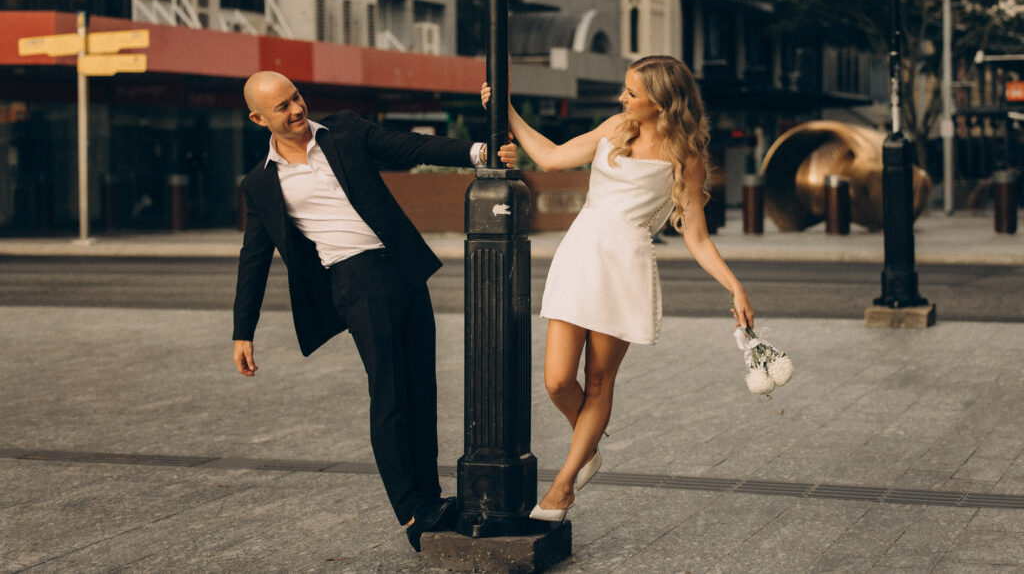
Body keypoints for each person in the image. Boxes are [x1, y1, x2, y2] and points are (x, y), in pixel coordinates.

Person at [232, 71, 516, 551]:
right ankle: (411, 513)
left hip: (401, 268)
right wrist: (244, 331)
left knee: (421, 389)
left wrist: (480, 154)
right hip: (355, 283)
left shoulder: (343, 129)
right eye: (282, 107)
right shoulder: (260, 183)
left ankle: (432, 499)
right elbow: (254, 257)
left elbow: (411, 147)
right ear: (259, 118)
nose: (297, 110)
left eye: (296, 97)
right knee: (390, 397)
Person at [481, 55, 754, 522]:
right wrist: (506, 111)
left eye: (631, 92)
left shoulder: (684, 157)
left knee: (600, 382)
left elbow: (696, 235)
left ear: (661, 102)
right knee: (558, 379)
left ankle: (562, 488)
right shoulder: (615, 127)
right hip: (581, 254)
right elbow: (550, 156)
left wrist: (734, 286)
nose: (622, 98)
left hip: (626, 266)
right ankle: (587, 448)